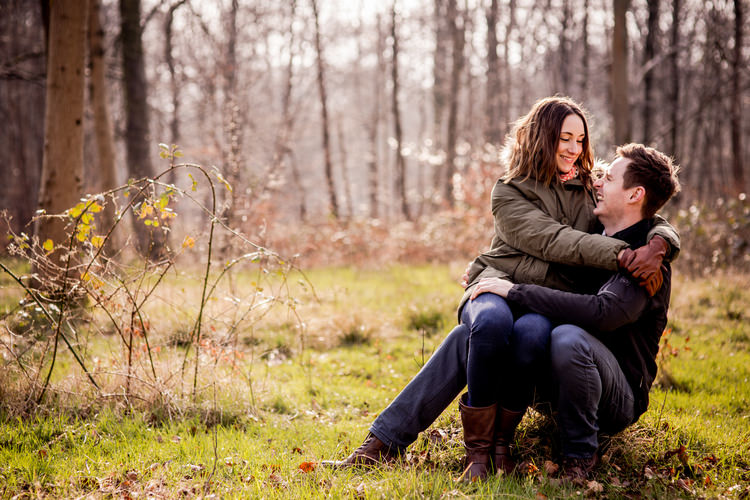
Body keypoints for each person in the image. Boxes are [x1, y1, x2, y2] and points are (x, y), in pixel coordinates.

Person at [322, 97, 679, 480]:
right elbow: (552, 241)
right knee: (476, 334)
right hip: (527, 322)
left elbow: (644, 216)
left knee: (550, 335)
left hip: (591, 369)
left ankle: (516, 452)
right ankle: (391, 445)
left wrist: (660, 245)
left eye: (580, 140)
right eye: (564, 138)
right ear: (544, 138)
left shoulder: (603, 205)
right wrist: (623, 254)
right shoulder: (513, 192)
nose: (579, 153)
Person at [472, 143, 680, 480]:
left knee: (569, 337)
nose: (597, 182)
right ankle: (396, 440)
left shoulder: (647, 260)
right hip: (560, 382)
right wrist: (486, 268)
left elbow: (604, 313)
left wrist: (516, 292)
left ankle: (580, 457)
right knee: (481, 330)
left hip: (618, 396)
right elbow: (541, 243)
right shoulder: (592, 233)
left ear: (634, 195)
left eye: (609, 178)